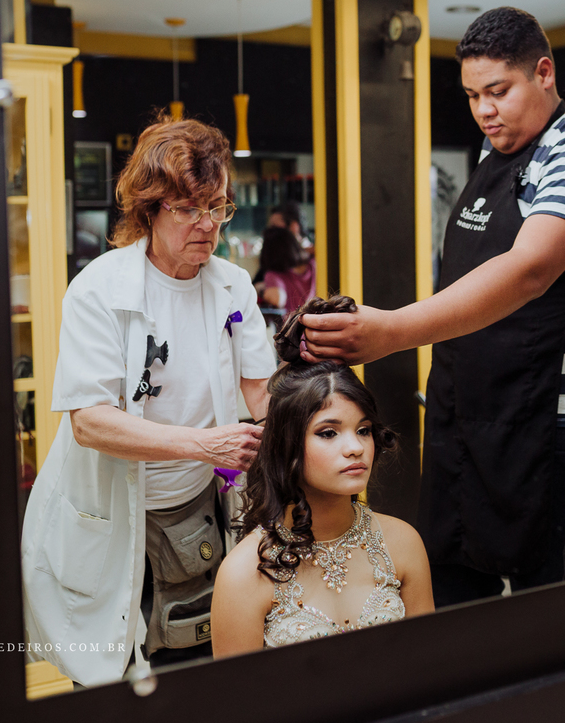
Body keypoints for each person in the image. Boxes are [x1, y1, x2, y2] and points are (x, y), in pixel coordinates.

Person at [302, 7, 565, 606]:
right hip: (472, 402)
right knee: (452, 566)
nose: (484, 110)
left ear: (544, 72)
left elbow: (528, 270)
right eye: (473, 95)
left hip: (557, 412)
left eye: (498, 91)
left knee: (545, 581)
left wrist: (394, 331)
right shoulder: (495, 157)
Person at [21, 117, 276, 686]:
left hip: (191, 513)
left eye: (218, 207)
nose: (207, 225)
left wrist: (300, 438)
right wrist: (205, 444)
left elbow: (261, 390)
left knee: (186, 662)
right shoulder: (99, 290)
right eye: (189, 209)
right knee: (108, 673)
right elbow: (90, 422)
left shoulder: (233, 283)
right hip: (108, 513)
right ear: (150, 207)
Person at [211, 296, 433, 656]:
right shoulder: (244, 573)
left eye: (363, 430)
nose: (356, 448)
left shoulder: (403, 544)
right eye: (329, 433)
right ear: (287, 445)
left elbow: (430, 670)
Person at [256, 226, 317, 317]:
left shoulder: (274, 275)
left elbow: (277, 299)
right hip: (316, 324)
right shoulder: (313, 265)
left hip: (294, 327)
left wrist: (261, 290)